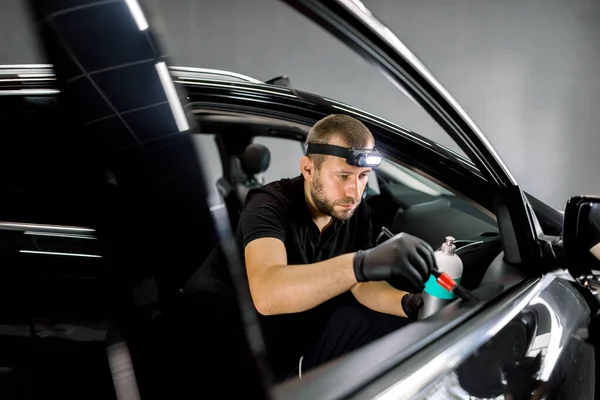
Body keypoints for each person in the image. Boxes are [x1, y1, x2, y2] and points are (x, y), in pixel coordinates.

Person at [183, 114, 436, 383]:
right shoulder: (268, 206)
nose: (355, 191)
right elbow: (267, 294)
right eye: (343, 176)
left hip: (296, 339)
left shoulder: (351, 209)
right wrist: (362, 263)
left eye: (363, 177)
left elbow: (359, 284)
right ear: (308, 169)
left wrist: (408, 304)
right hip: (229, 349)